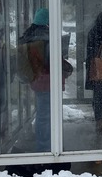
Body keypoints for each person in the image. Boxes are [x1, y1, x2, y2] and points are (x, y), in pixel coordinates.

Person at [21, 8, 72, 152]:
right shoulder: (45, 37)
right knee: (45, 115)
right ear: (47, 21)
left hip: (38, 80)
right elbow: (51, 62)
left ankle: (47, 144)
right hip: (48, 80)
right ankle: (45, 147)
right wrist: (65, 66)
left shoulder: (31, 34)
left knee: (44, 113)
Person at [85, 10, 102, 134]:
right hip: (99, 68)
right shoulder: (100, 33)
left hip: (96, 67)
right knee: (99, 95)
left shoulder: (95, 30)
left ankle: (101, 118)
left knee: (99, 95)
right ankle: (99, 121)